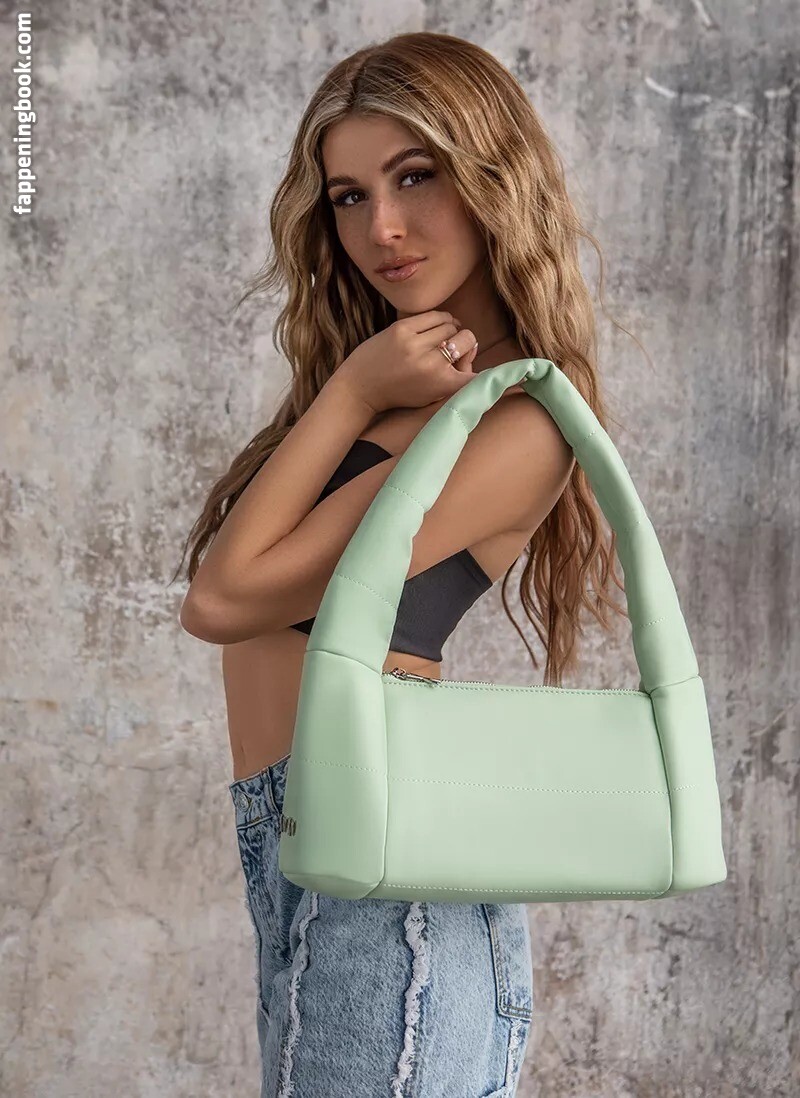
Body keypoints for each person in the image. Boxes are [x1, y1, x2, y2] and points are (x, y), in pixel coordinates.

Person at [173, 29, 633, 1098]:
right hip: (308, 845)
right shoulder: (406, 387)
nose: (381, 226)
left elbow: (224, 598)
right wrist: (361, 386)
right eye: (348, 195)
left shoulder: (520, 416)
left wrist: (353, 393)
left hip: (387, 875)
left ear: (492, 178)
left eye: (416, 175)